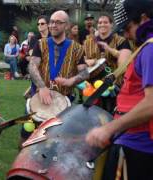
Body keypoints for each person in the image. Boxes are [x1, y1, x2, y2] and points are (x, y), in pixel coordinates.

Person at [86, 0, 153, 179]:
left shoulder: (150, 50)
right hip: (132, 140)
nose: (125, 34)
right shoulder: (145, 47)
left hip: (140, 147)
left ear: (144, 19)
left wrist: (109, 129)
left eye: (127, 27)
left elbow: (151, 104)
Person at [21, 11, 88, 145]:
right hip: (39, 98)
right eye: (51, 21)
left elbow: (85, 73)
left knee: (58, 141)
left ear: (67, 26)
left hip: (63, 101)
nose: (53, 25)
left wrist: (71, 81)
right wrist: (42, 87)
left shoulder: (77, 48)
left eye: (58, 22)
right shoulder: (41, 44)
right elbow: (32, 66)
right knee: (26, 138)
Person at [83, 14, 132, 114]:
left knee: (111, 114)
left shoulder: (121, 41)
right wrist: (87, 61)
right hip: (93, 84)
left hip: (114, 84)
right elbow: (81, 59)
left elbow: (126, 60)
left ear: (111, 25)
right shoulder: (88, 42)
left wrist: (109, 49)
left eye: (105, 22)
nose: (102, 25)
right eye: (100, 23)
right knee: (94, 115)